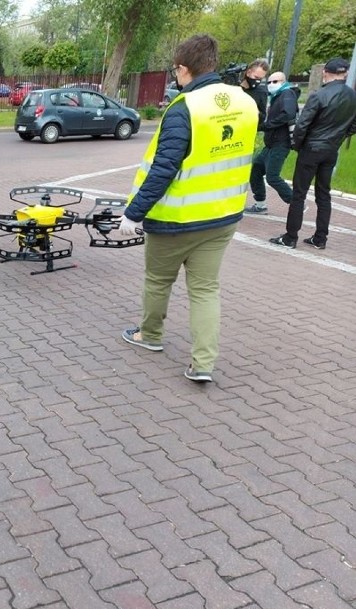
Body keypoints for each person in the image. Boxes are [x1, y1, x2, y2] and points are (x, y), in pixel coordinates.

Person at [118, 34, 258, 383]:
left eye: (175, 69)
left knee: (158, 280)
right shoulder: (245, 102)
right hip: (223, 216)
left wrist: (133, 213)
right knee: (206, 289)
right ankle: (203, 364)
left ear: (183, 69)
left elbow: (165, 167)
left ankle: (149, 336)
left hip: (176, 219)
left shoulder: (185, 107)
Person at [270, 57, 356, 249]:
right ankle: (320, 238)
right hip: (331, 149)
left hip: (312, 148)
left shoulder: (319, 95)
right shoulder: (352, 95)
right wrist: (339, 137)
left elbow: (302, 125)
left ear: (326, 72)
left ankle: (291, 237)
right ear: (345, 74)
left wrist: (298, 145)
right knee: (323, 194)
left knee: (299, 194)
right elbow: (353, 125)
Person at [245, 71, 300, 213]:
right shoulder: (277, 96)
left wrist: (268, 125)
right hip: (270, 144)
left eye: (275, 82)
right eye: (268, 82)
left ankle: (296, 203)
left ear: (283, 81)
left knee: (272, 177)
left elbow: (288, 114)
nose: (271, 85)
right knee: (256, 170)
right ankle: (260, 204)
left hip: (280, 144)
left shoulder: (287, 94)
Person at [241, 58, 270, 127]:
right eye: (256, 77)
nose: (257, 81)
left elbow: (262, 118)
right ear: (248, 73)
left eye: (260, 79)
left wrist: (257, 113)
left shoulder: (261, 92)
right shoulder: (234, 88)